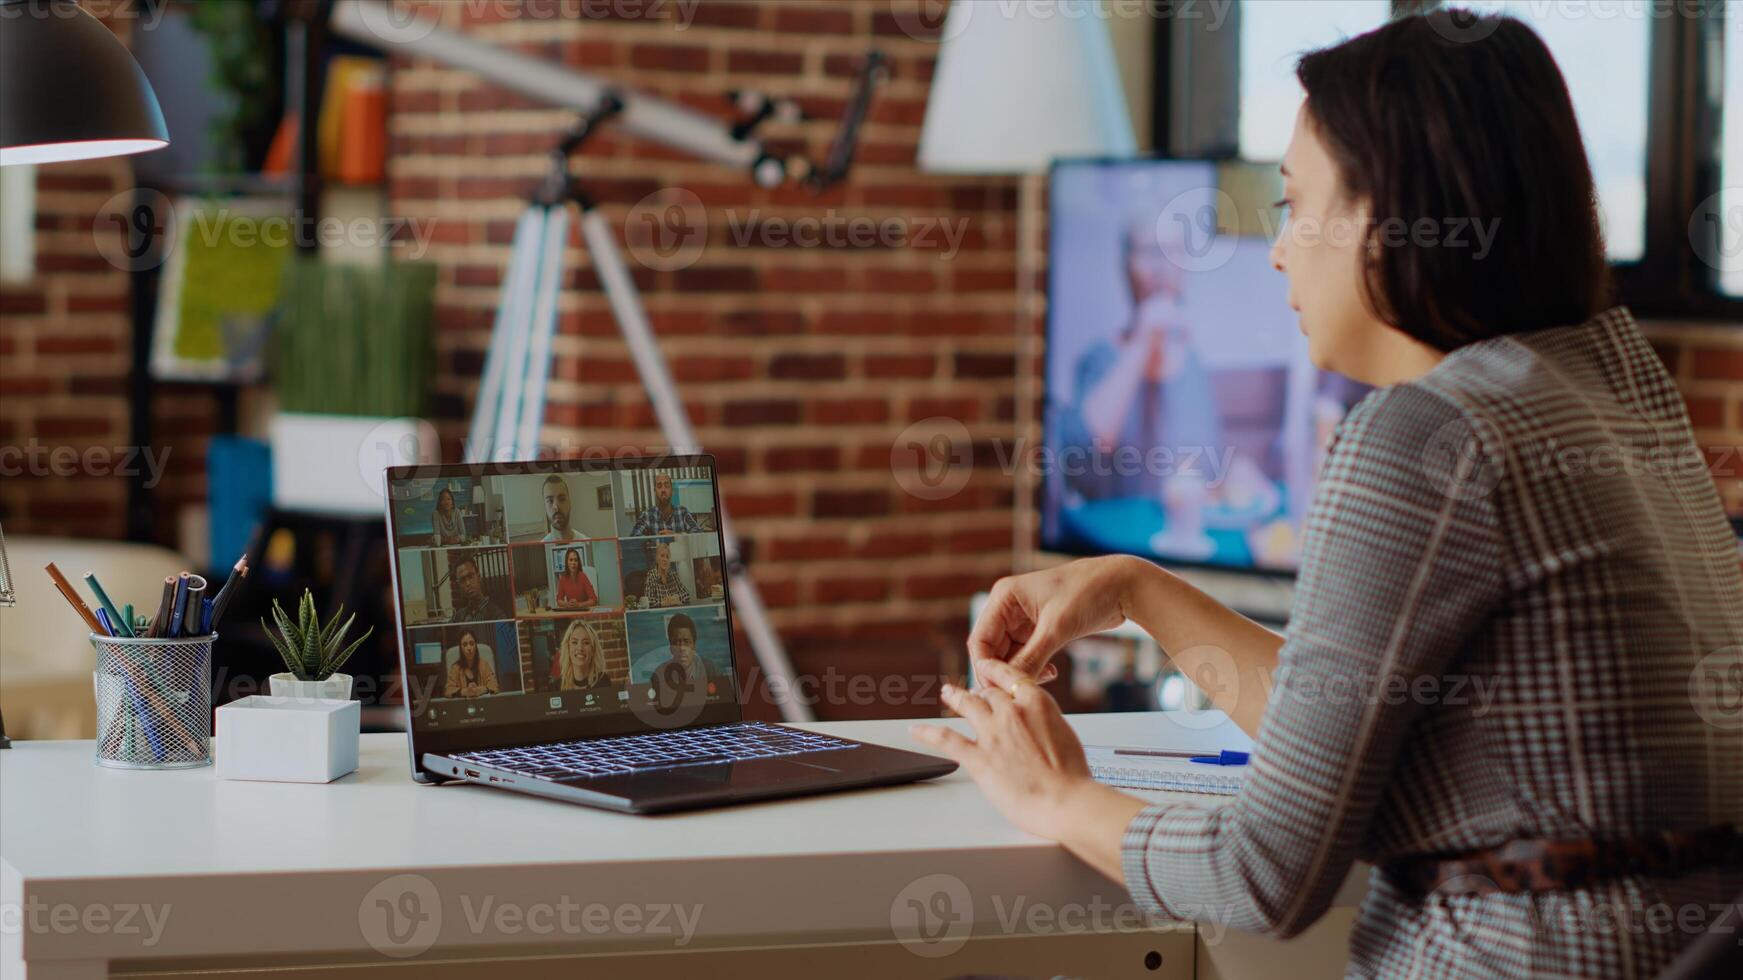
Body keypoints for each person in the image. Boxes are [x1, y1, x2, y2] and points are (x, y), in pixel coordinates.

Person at [910, 13, 1743, 979]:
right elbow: (1337, 727)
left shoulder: (1427, 435)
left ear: (1385, 219)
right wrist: (1136, 588)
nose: (1276, 254)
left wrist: (1052, 795)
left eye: (1294, 207)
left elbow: (1262, 877)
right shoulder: (1613, 389)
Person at [648, 612, 713, 708]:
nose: (682, 648)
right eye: (677, 642)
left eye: (686, 642)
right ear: (670, 647)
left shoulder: (711, 670)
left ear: (694, 646)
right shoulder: (658, 676)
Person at [554, 619, 616, 701]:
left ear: (593, 649)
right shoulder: (557, 686)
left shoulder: (603, 681)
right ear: (567, 647)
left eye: (586, 643)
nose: (580, 648)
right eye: (574, 642)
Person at [630, 473, 703, 535]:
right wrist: (655, 540)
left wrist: (675, 536)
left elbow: (698, 533)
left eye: (666, 485)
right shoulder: (647, 515)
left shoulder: (682, 512)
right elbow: (634, 537)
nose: (663, 490)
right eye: (659, 486)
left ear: (672, 490)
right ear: (655, 491)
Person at [448, 555, 506, 623]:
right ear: (459, 586)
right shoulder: (459, 616)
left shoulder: (497, 615)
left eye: (470, 576)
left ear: (479, 577)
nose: (467, 583)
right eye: (462, 580)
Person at [443, 628, 498, 698]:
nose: (469, 648)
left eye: (471, 643)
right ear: (461, 648)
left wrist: (481, 689)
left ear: (475, 645)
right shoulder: (455, 668)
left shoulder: (484, 664)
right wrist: (464, 692)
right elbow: (448, 691)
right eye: (465, 644)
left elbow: (494, 686)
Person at [640, 539, 691, 607]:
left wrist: (676, 598)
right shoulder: (651, 575)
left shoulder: (673, 574)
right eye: (662, 555)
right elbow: (648, 600)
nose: (665, 559)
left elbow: (687, 594)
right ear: (657, 558)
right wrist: (661, 603)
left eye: (667, 557)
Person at [541, 475, 579, 543]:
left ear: (569, 502)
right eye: (550, 501)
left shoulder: (588, 544)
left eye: (562, 499)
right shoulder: (541, 549)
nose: (556, 507)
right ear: (545, 507)